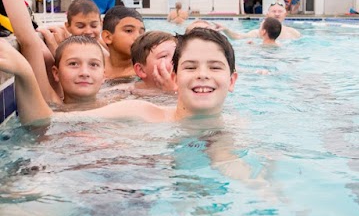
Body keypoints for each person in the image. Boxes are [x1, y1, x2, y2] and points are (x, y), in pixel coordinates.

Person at [3, 28, 238, 126]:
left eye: (215, 67)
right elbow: (46, 120)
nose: (203, 75)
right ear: (174, 78)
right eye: (190, 67)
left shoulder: (237, 131)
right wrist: (24, 72)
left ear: (232, 80)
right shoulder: (139, 112)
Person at [0, 0, 105, 108]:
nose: (84, 72)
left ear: (104, 75)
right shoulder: (50, 102)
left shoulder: (120, 106)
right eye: (73, 64)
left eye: (94, 64)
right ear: (56, 73)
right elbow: (29, 40)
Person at [101, 5, 145, 80]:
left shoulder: (144, 71)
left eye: (141, 32)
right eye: (129, 31)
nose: (138, 37)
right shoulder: (94, 66)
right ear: (107, 37)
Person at [217, 3, 301, 40]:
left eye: (280, 11)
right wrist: (226, 30)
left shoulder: (293, 33)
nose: (277, 14)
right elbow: (238, 37)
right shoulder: (258, 33)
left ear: (285, 14)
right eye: (274, 11)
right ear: (267, 15)